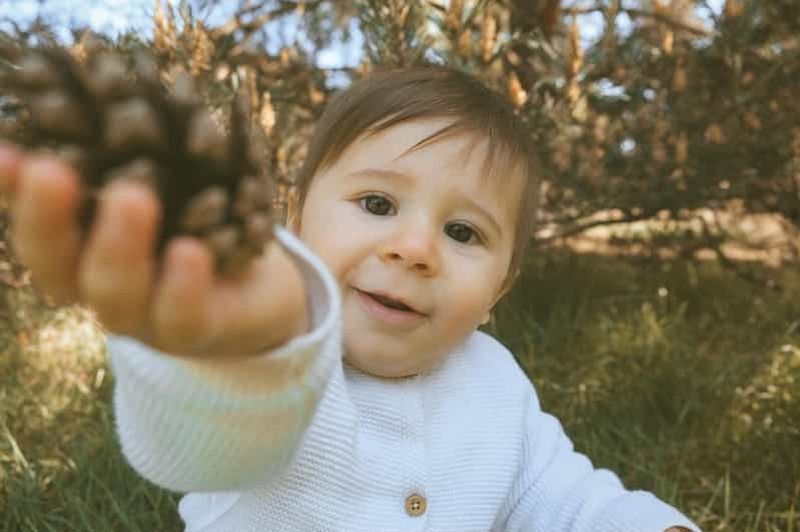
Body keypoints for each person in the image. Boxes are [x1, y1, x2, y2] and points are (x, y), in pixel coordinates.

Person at [0, 65, 699, 531]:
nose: (414, 247)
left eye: (462, 231)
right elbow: (198, 444)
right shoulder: (278, 357)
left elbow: (562, 498)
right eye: (376, 202)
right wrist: (218, 352)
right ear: (298, 217)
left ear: (498, 292)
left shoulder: (495, 383)